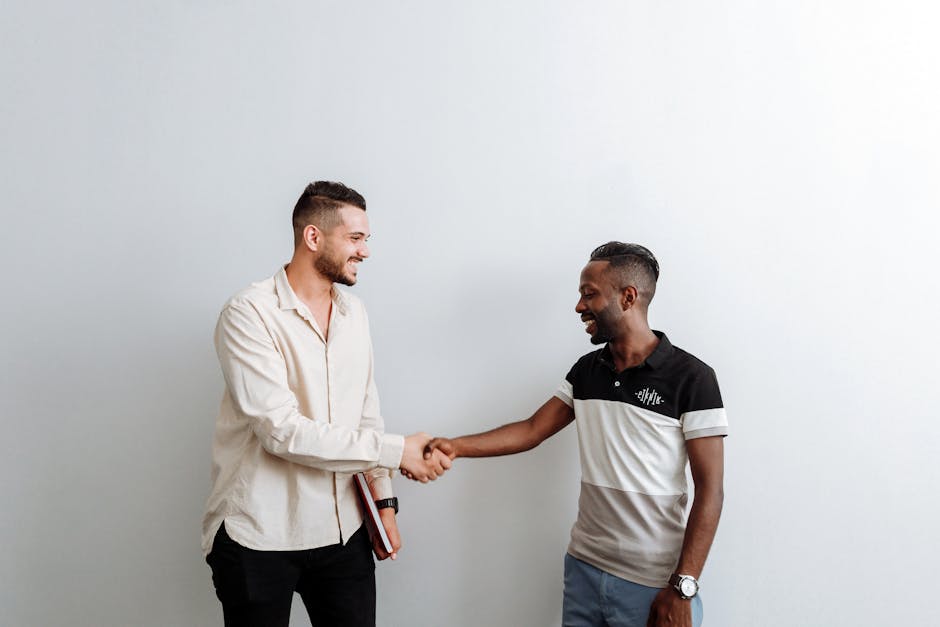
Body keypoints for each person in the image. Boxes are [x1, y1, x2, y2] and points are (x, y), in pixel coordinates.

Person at [422, 242, 727, 627]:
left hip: (653, 584)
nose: (579, 306)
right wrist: (455, 446)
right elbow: (533, 429)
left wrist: (684, 586)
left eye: (589, 294)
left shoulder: (692, 378)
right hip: (583, 568)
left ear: (628, 297)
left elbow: (711, 490)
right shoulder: (588, 369)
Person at [202, 180, 451, 627]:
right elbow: (280, 430)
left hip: (344, 531)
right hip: (258, 534)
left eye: (366, 240)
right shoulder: (248, 313)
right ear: (312, 237)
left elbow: (367, 414)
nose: (366, 252)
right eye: (355, 239)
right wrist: (398, 450)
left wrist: (385, 503)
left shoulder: (356, 313)